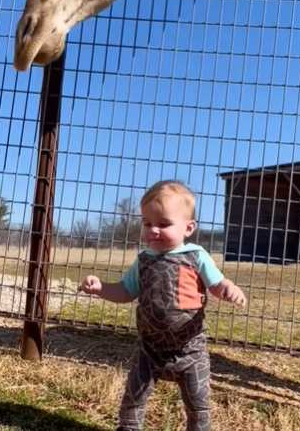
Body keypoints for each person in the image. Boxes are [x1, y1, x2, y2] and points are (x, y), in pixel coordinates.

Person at [79, 180, 246, 431]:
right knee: (133, 400)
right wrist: (101, 288)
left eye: (164, 224)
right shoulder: (144, 260)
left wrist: (228, 289)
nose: (153, 230)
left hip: (190, 351)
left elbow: (216, 284)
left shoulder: (196, 256)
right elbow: (125, 291)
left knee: (198, 405)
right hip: (150, 350)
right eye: (147, 223)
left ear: (188, 228)